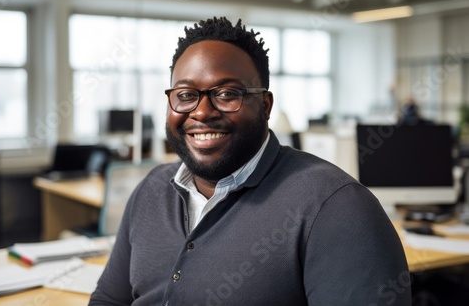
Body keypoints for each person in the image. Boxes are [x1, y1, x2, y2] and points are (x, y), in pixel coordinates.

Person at [89, 17, 411, 305]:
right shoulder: (151, 189)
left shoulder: (338, 209)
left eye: (228, 94)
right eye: (186, 95)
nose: (201, 112)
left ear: (266, 106)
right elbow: (109, 299)